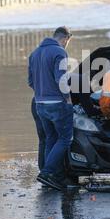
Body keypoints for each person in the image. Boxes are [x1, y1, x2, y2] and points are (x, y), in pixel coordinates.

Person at [28, 26, 73, 191]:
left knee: (50, 138)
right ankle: (47, 172)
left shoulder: (34, 53)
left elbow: (30, 81)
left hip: (40, 104)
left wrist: (42, 94)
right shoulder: (59, 52)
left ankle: (49, 175)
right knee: (65, 139)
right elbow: (61, 79)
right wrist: (68, 99)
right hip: (57, 104)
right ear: (66, 38)